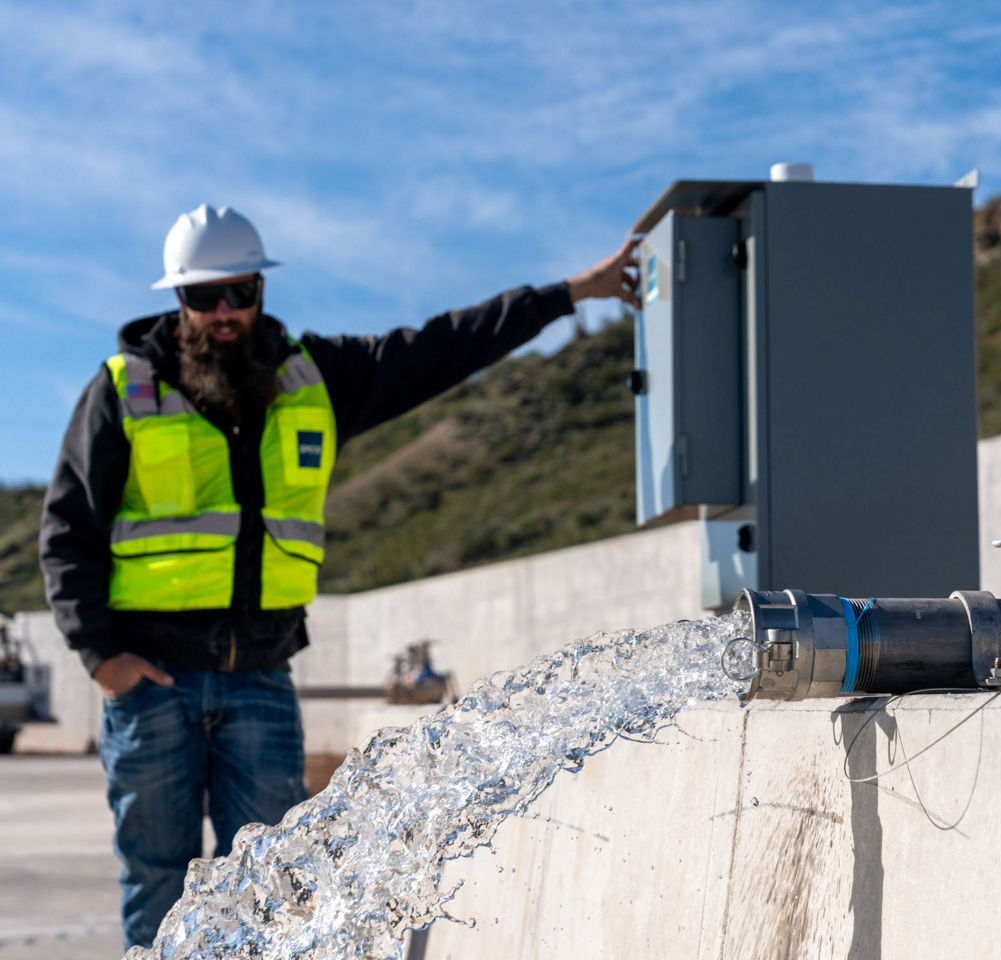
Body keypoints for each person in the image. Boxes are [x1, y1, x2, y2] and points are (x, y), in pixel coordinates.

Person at [38, 203, 641, 951]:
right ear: (178, 300)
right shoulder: (124, 390)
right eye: (204, 297)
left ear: (261, 289)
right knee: (157, 882)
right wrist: (101, 658)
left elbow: (440, 347)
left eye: (240, 293)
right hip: (152, 682)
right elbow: (67, 530)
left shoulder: (315, 376)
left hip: (261, 679)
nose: (225, 313)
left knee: (279, 884)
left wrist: (571, 294)